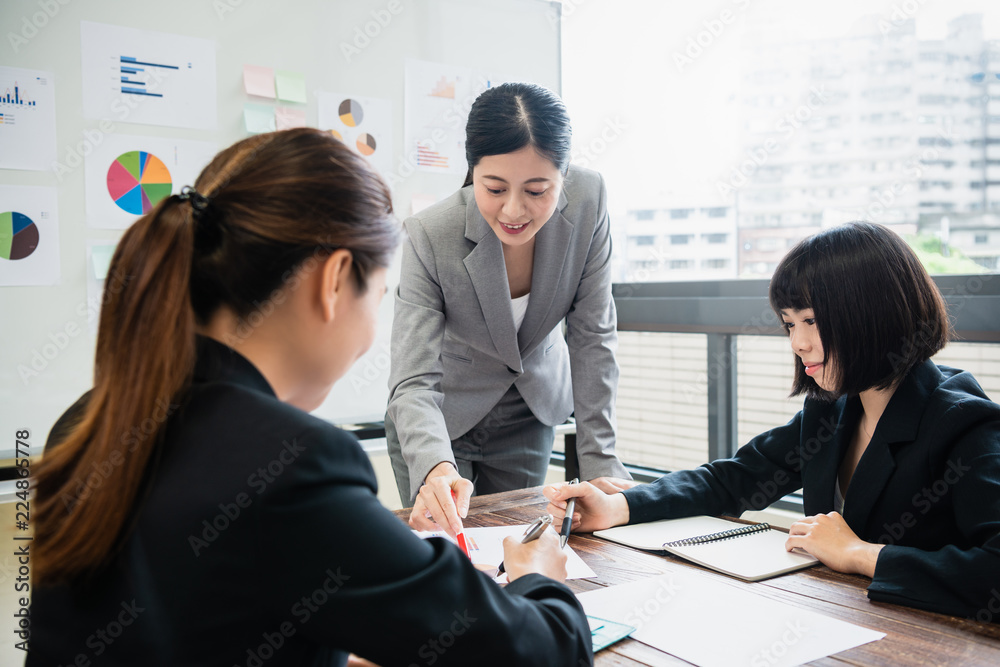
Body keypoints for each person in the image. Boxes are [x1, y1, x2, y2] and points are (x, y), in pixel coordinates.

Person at [29, 128, 593, 666]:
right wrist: (538, 577)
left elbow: (197, 629)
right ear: (333, 281)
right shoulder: (291, 466)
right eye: (375, 297)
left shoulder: (85, 423)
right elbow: (547, 651)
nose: (372, 330)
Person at [545, 221, 1000, 619]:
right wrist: (617, 507)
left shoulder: (962, 422)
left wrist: (863, 555)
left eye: (812, 321)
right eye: (788, 324)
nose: (798, 343)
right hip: (838, 618)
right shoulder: (833, 408)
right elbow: (736, 478)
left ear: (874, 315)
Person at [387, 82, 633, 539]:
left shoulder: (589, 199)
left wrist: (601, 459)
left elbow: (593, 336)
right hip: (440, 416)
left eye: (538, 190)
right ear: (472, 171)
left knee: (519, 551)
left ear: (563, 176)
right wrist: (435, 469)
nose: (514, 210)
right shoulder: (429, 233)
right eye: (494, 188)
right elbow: (412, 377)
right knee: (445, 555)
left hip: (530, 411)